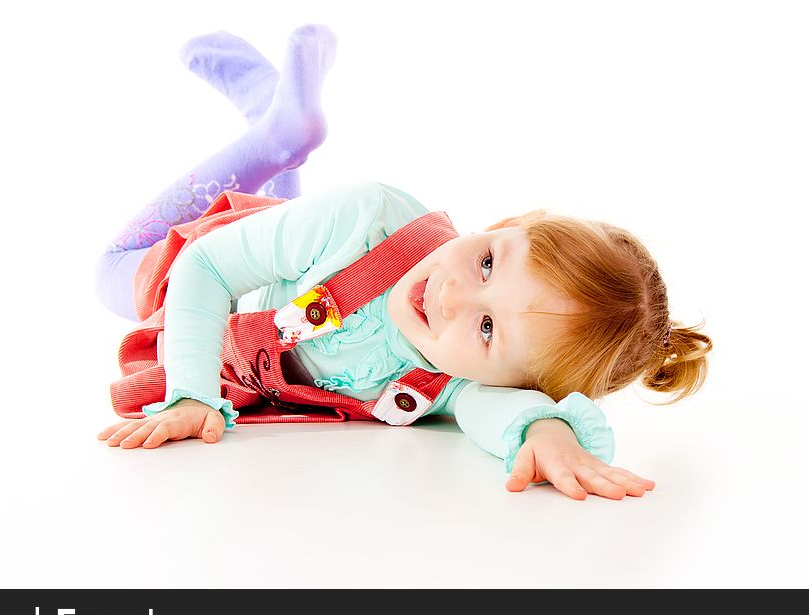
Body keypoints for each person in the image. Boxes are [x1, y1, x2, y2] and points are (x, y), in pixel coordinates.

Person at [95, 25, 711, 501]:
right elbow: (206, 267)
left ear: (509, 379)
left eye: (488, 328)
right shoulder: (365, 218)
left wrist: (545, 433)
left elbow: (498, 414)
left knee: (288, 225)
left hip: (289, 267)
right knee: (114, 272)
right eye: (489, 265)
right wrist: (191, 393)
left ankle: (269, 113)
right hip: (232, 271)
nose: (451, 298)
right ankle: (276, 136)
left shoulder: (456, 380)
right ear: (504, 226)